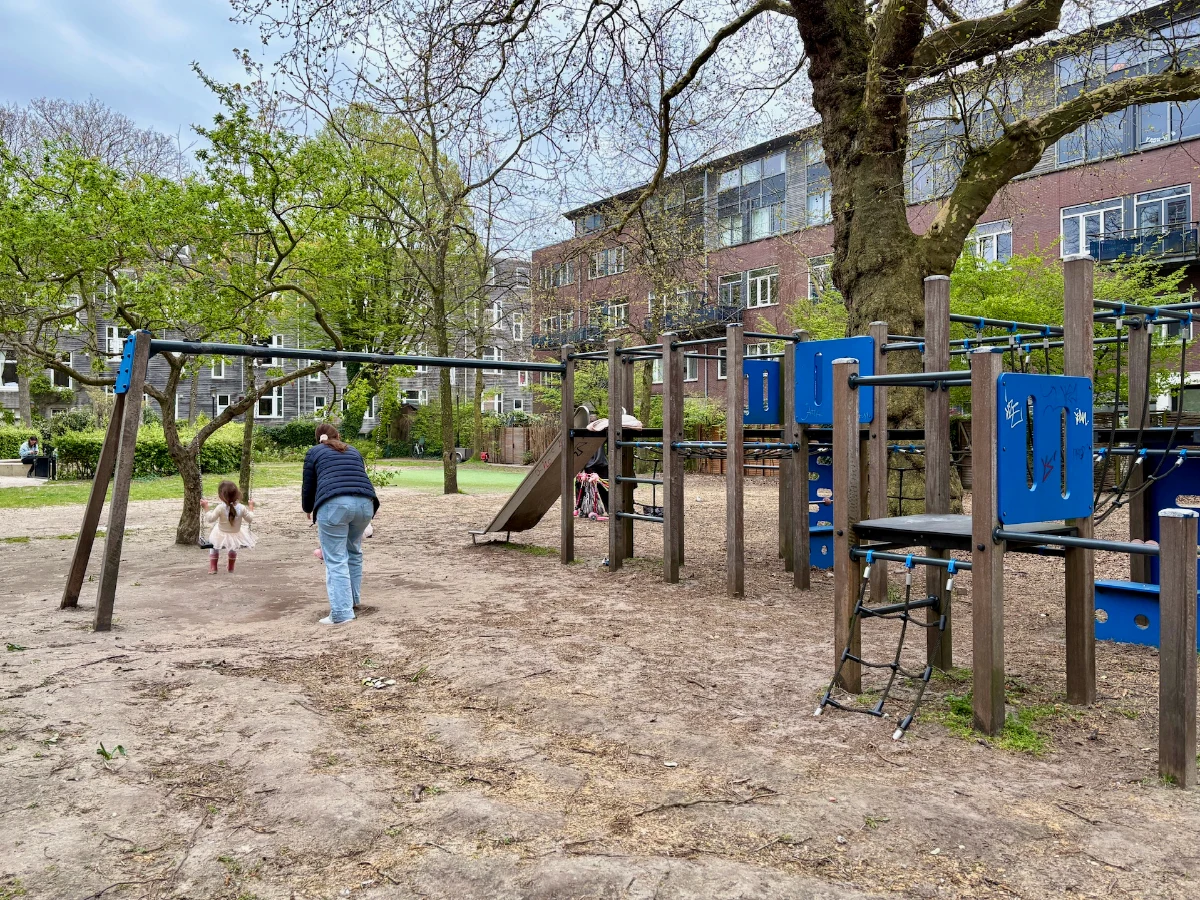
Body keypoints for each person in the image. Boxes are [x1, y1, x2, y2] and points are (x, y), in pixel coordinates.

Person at [302, 423, 379, 625]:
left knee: (336, 558)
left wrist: (308, 508)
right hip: (366, 503)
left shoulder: (314, 452)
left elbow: (309, 484)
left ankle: (342, 613)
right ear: (338, 435)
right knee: (353, 552)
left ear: (318, 439)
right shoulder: (353, 450)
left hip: (334, 504)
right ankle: (352, 601)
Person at [201, 480, 256, 574]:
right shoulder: (242, 508)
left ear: (220, 497)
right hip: (236, 534)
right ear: (238, 495)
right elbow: (250, 519)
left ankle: (213, 567)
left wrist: (206, 507)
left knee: (214, 547)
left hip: (220, 534)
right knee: (233, 546)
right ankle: (231, 567)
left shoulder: (220, 508)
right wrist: (251, 507)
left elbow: (210, 519)